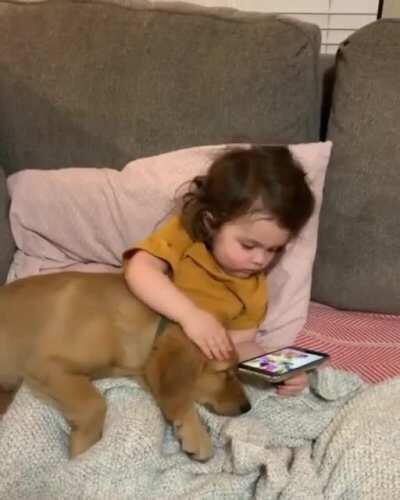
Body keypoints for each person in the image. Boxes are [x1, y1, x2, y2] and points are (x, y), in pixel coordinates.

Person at [124, 146, 315, 396]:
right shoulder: (185, 236)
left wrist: (277, 369)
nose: (260, 260)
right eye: (248, 245)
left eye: (274, 250)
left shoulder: (253, 288)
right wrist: (189, 315)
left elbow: (240, 343)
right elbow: (139, 269)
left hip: (172, 366)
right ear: (211, 222)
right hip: (127, 336)